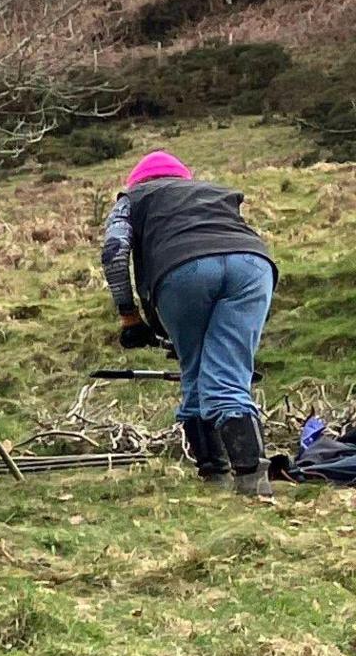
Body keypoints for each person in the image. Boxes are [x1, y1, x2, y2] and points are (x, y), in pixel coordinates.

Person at [102, 149, 278, 499]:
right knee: (222, 372)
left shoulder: (132, 197)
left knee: (206, 375)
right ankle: (229, 476)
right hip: (253, 266)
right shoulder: (214, 192)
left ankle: (239, 480)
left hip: (185, 271)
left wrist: (129, 315)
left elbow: (114, 249)